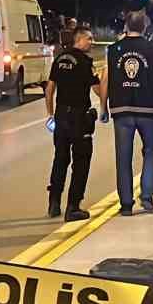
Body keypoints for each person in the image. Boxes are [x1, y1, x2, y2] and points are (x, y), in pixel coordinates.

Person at [104, 11, 153, 215]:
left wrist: (103, 107)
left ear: (126, 26)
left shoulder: (112, 50)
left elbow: (105, 79)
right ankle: (147, 197)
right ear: (144, 27)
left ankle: (126, 204)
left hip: (121, 110)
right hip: (147, 110)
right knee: (151, 151)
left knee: (123, 157)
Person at [44, 27, 105, 221]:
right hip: (79, 117)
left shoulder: (59, 59)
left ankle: (54, 203)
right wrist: (105, 95)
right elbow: (97, 90)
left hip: (61, 115)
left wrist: (50, 114)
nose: (92, 42)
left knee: (60, 159)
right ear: (79, 39)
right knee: (81, 162)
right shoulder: (85, 62)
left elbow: (50, 88)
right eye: (89, 39)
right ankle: (73, 207)